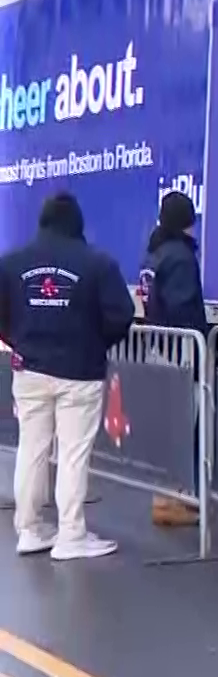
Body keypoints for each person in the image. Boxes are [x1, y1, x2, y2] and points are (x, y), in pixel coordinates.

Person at [0, 193, 135, 560]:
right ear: (78, 224)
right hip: (80, 371)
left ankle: (29, 529)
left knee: (32, 448)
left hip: (29, 368)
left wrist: (18, 341)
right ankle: (70, 534)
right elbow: (121, 315)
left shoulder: (11, 263)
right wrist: (96, 343)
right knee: (73, 453)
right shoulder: (97, 263)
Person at [139, 190, 210, 529]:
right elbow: (184, 309)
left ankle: (164, 496)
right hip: (180, 351)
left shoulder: (154, 255)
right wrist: (204, 341)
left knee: (167, 423)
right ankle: (171, 497)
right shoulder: (180, 258)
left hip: (159, 346)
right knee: (183, 422)